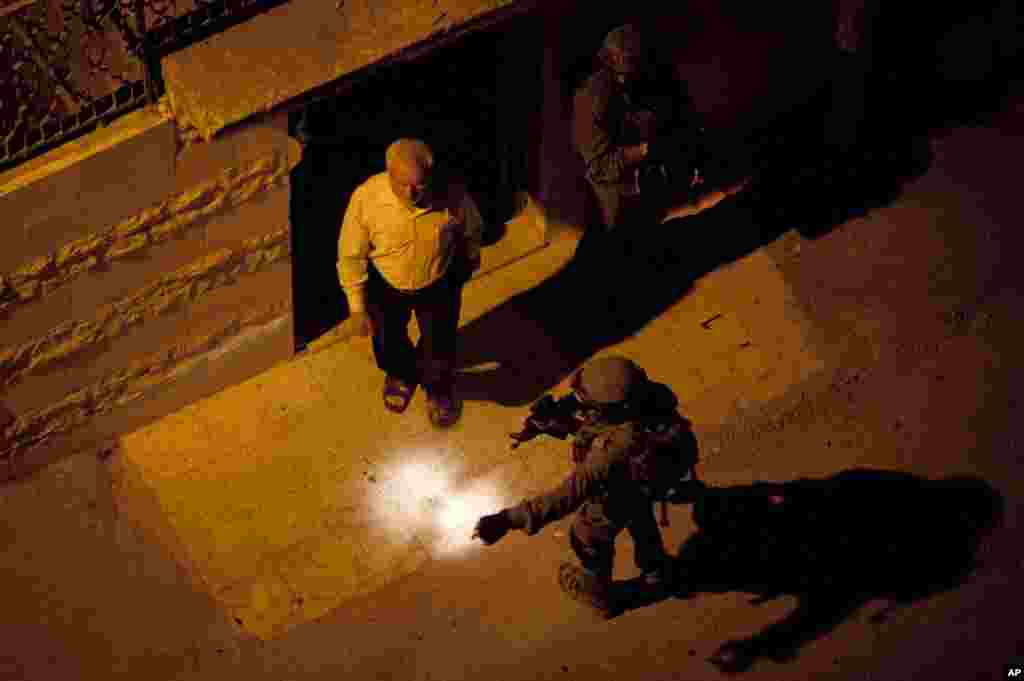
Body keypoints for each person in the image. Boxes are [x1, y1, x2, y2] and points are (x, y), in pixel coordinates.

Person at [472, 356, 700, 619]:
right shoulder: (644, 397)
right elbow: (591, 414)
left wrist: (507, 519)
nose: (579, 399)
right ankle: (657, 570)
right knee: (640, 517)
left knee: (588, 535)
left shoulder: (616, 448)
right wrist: (551, 421)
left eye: (587, 398)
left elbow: (570, 493)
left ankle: (600, 596)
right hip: (644, 482)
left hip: (622, 486)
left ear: (609, 408)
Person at [338, 138, 483, 428]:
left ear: (431, 175)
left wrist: (469, 261)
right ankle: (401, 373)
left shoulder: (453, 195)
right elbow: (351, 254)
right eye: (402, 184)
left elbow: (472, 230)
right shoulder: (366, 198)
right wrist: (357, 307)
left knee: (440, 343)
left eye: (419, 185)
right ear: (388, 172)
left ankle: (438, 386)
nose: (411, 193)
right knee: (387, 340)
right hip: (387, 284)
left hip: (438, 281)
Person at [572, 23, 708, 233]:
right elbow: (600, 167)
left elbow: (686, 115)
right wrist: (645, 150)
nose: (629, 80)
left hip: (658, 169)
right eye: (624, 75)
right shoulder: (589, 103)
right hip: (618, 183)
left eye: (638, 72)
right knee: (623, 231)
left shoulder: (655, 73)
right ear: (607, 67)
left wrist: (691, 151)